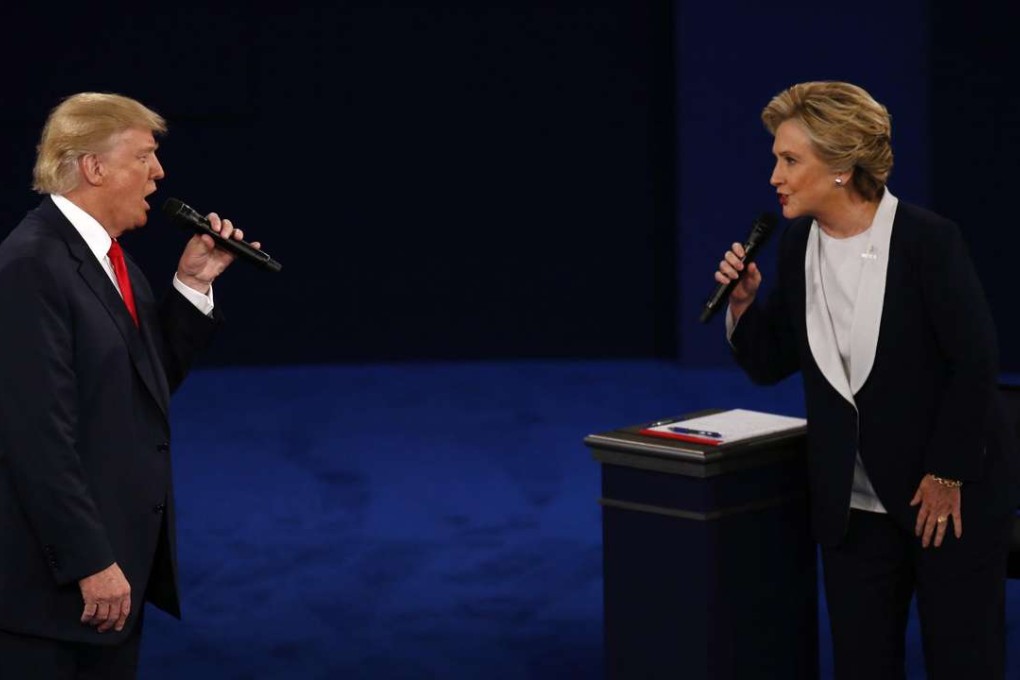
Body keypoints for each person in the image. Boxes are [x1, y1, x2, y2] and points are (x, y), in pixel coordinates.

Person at [715, 81, 1020, 678]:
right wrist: (744, 306)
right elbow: (771, 362)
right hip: (851, 507)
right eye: (777, 158)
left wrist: (946, 473)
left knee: (962, 661)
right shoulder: (798, 243)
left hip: (944, 502)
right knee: (862, 663)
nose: (774, 175)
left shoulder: (928, 241)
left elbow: (974, 363)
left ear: (839, 165)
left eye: (789, 159)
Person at [0, 92, 258, 678]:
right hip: (55, 593)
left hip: (114, 575)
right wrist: (90, 561)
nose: (159, 173)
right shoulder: (30, 266)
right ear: (94, 167)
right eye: (144, 156)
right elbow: (35, 435)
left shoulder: (112, 262)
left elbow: (142, 386)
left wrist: (192, 285)